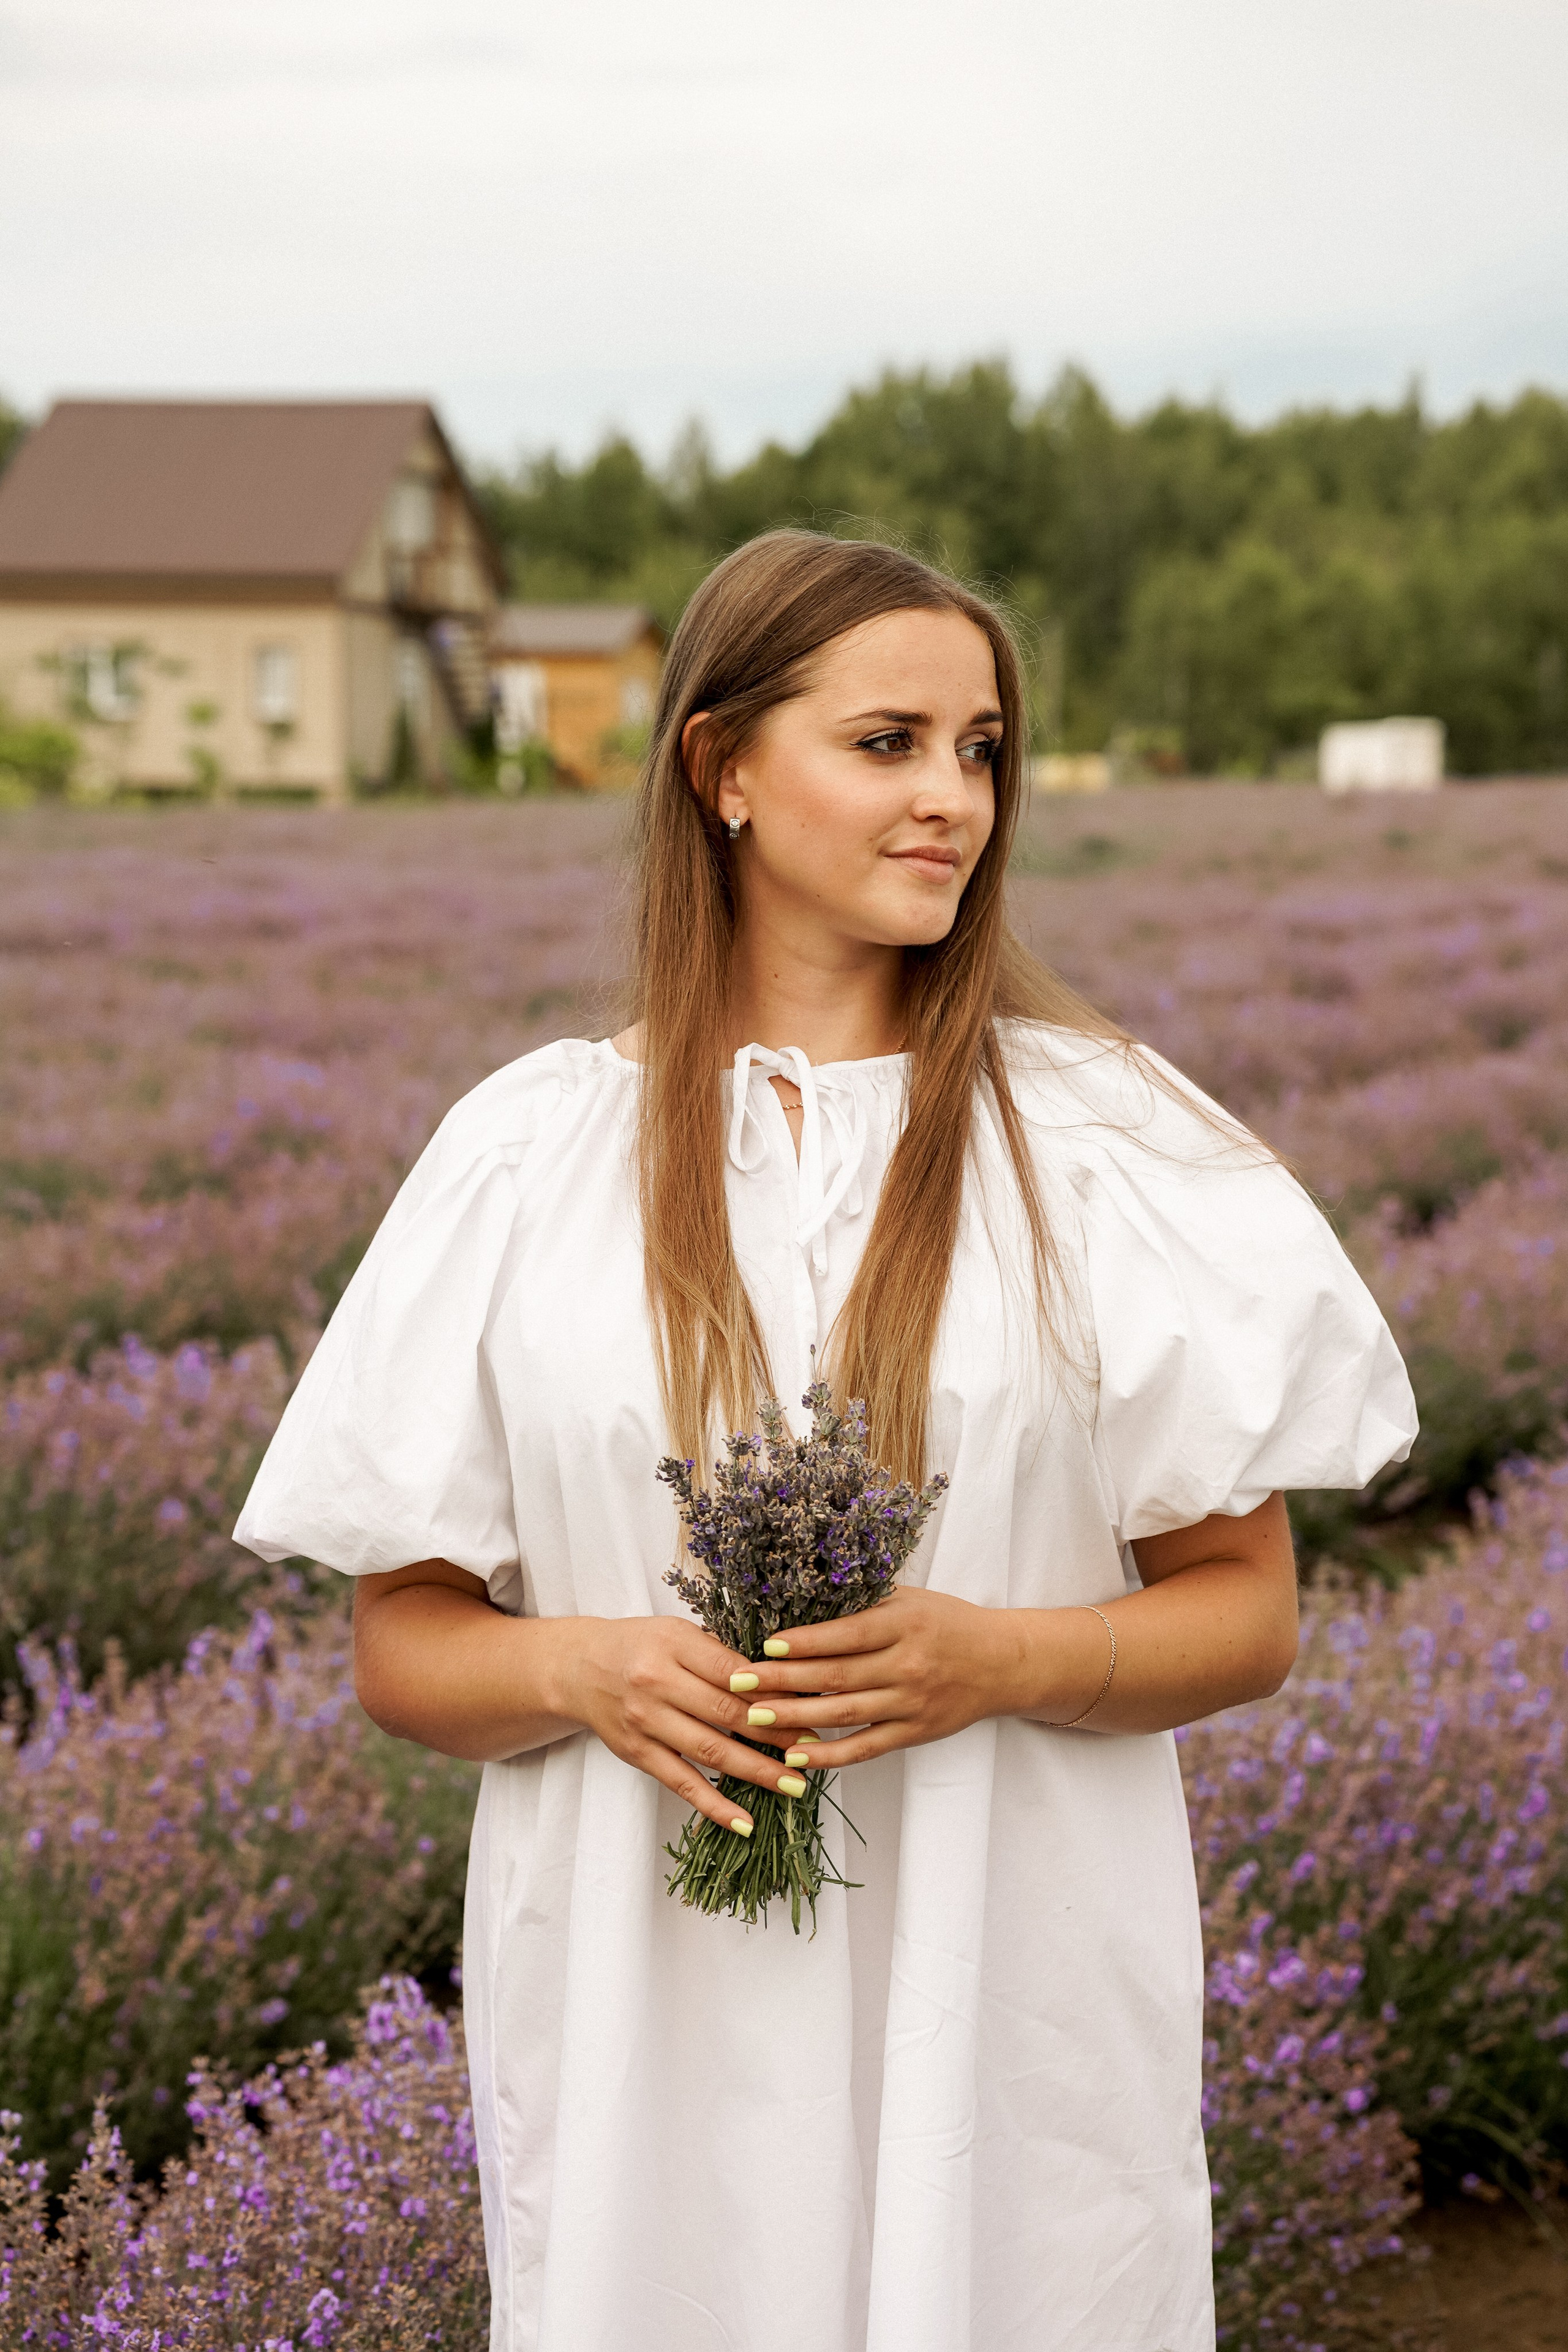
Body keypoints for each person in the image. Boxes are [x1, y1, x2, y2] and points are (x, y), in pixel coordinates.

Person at [235, 530, 1417, 2352]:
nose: (953, 797)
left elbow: (1245, 1614)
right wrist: (592, 1665)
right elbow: (406, 1642)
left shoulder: (1101, 1144)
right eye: (889, 743)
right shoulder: (530, 1156)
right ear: (722, 769)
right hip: (646, 2013)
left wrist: (994, 1656)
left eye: (983, 746)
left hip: (1002, 1984)